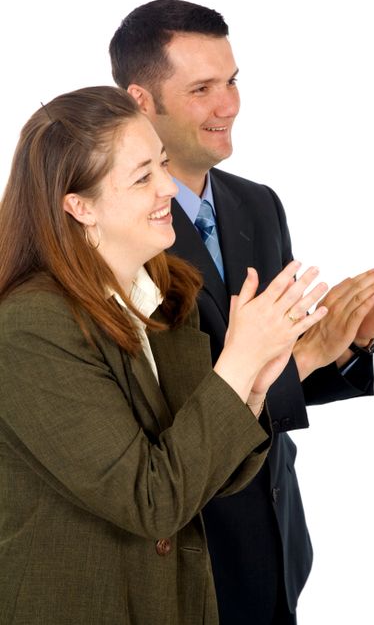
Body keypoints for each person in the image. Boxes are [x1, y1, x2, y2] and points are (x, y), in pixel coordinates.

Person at [109, 0, 374, 624]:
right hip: (184, 545)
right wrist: (302, 354)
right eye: (202, 89)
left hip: (275, 539)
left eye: (232, 81)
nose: (228, 105)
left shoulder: (258, 205)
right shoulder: (118, 225)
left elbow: (275, 387)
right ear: (141, 101)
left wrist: (346, 342)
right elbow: (159, 411)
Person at [0, 86, 330, 624]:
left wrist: (253, 386)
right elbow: (153, 499)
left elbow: (202, 475)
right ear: (79, 206)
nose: (167, 188)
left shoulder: (166, 292)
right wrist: (237, 363)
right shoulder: (30, 327)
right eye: (142, 176)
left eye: (162, 164)